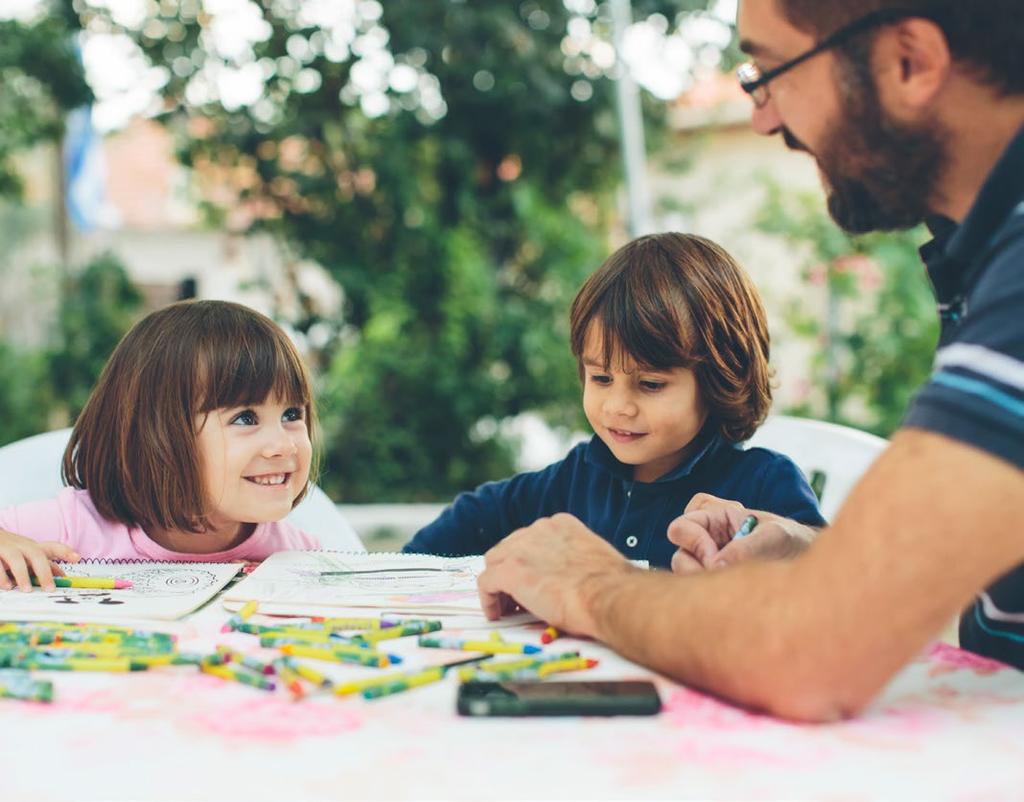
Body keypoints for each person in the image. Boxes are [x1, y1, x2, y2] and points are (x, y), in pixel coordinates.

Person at [476, 0, 1024, 721]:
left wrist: (591, 585)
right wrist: (804, 549)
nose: (764, 117)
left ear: (908, 63)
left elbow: (810, 655)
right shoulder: (984, 256)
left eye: (772, 70)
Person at [403, 232, 824, 567]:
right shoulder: (574, 480)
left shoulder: (764, 482)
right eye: (601, 377)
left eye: (651, 384)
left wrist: (770, 540)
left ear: (719, 378)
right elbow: (476, 518)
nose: (617, 406)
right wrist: (399, 574)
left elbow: (829, 567)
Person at [0, 300, 321, 591]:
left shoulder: (299, 558)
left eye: (291, 414)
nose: (282, 445)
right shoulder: (72, 527)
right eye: (246, 418)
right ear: (157, 434)